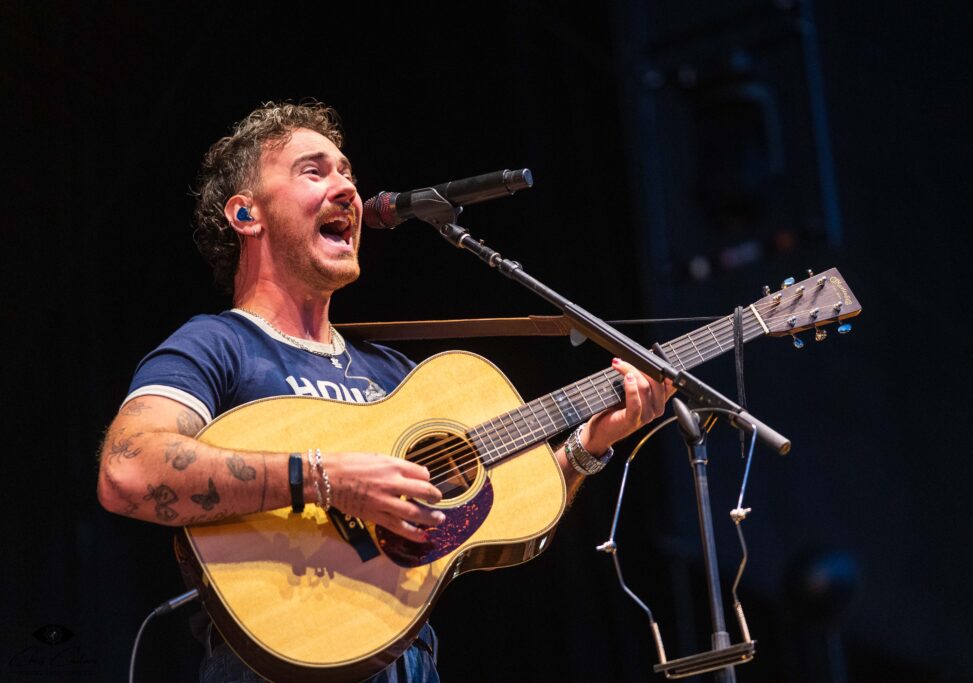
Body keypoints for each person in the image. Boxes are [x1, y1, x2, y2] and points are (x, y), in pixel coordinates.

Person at [97, 100, 673, 682]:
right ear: (246, 214)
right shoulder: (217, 344)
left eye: (347, 172)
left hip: (409, 660)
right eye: (314, 171)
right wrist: (328, 480)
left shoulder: (396, 375)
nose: (346, 188)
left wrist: (587, 447)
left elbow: (497, 519)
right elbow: (127, 470)